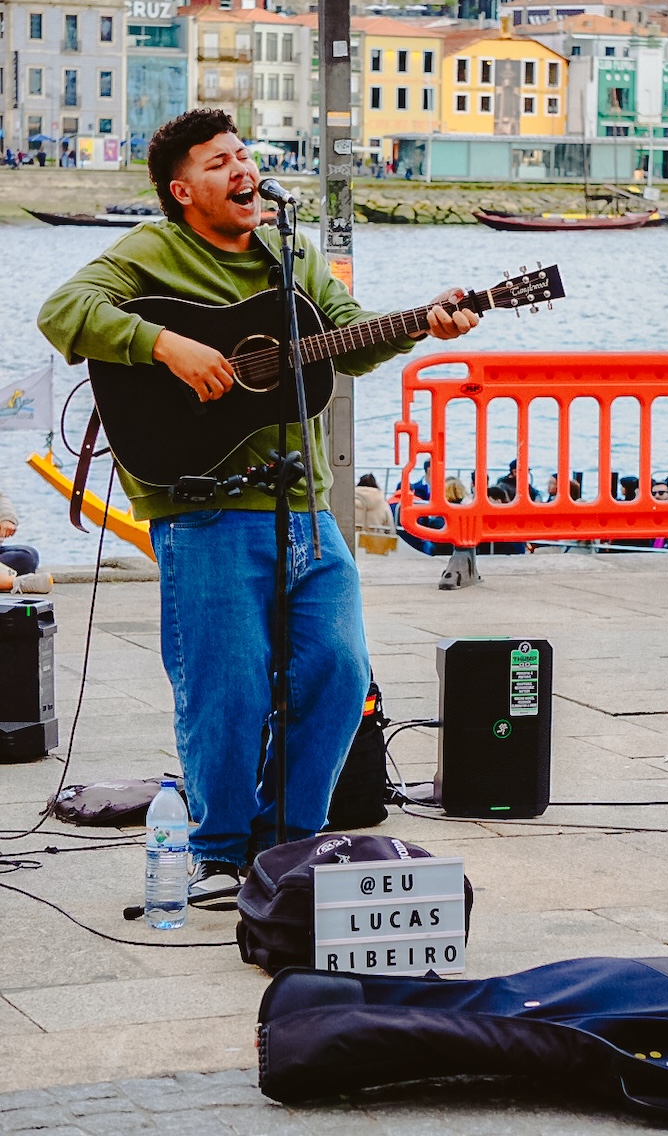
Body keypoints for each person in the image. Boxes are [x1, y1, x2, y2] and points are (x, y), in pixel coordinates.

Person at [37, 108, 479, 908]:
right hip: (204, 512)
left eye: (244, 155)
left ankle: (288, 847)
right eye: (218, 161)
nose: (243, 168)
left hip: (305, 508)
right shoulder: (153, 251)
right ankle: (215, 853)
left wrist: (424, 324)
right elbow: (63, 312)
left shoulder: (290, 254)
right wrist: (165, 344)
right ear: (182, 190)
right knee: (226, 690)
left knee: (339, 674)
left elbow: (350, 336)